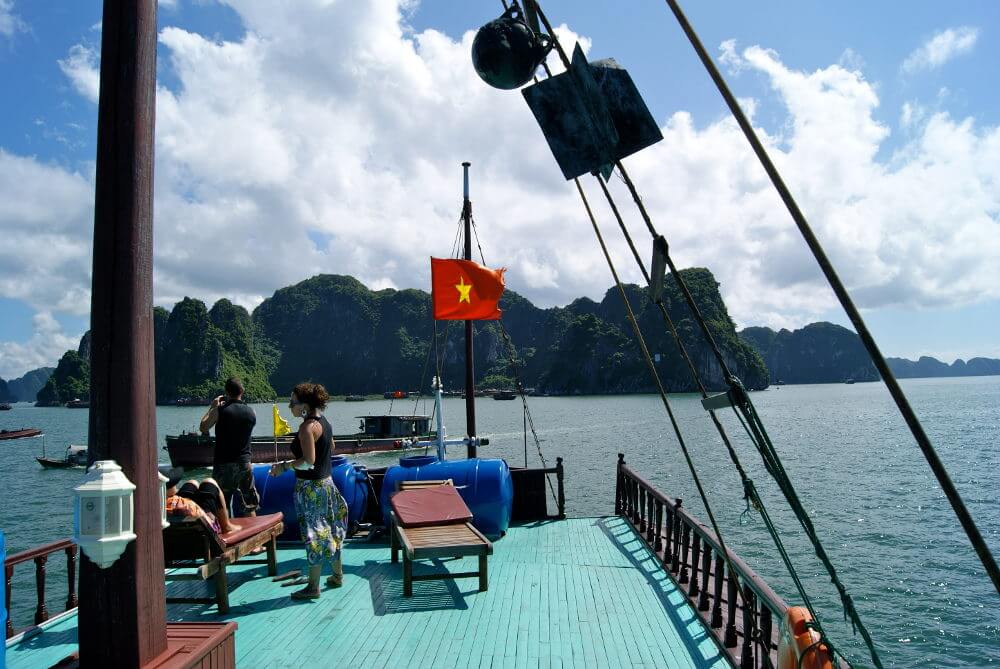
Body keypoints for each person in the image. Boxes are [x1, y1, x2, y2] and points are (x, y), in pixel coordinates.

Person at [269, 382, 348, 600]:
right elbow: (330, 446)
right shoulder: (324, 422)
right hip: (327, 484)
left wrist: (283, 466)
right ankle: (337, 575)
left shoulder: (307, 427)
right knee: (331, 530)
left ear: (304, 405)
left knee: (314, 535)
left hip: (310, 488)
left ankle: (313, 587)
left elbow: (309, 462)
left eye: (292, 402)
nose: (290, 406)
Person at [200, 376, 259, 519]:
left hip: (224, 464)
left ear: (226, 392)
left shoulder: (220, 410)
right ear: (242, 391)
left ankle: (227, 536)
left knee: (222, 503)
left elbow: (203, 427)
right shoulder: (252, 412)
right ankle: (254, 536)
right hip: (245, 464)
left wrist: (213, 406)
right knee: (249, 503)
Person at [165, 475, 241, 534]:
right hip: (203, 524)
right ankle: (226, 526)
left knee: (192, 482)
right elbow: (202, 516)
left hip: (176, 512)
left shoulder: (159, 505)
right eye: (173, 484)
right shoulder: (176, 502)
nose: (175, 485)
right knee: (210, 482)